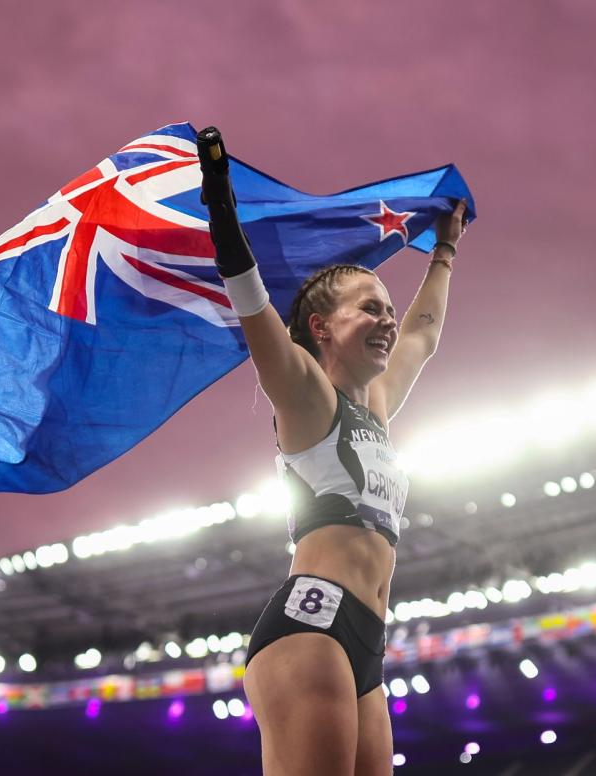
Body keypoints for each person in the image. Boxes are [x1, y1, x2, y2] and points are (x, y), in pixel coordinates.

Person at [196, 127, 468, 775]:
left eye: (388, 309)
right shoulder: (306, 398)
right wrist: (221, 209)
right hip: (312, 625)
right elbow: (255, 307)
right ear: (321, 327)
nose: (388, 320)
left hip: (367, 644)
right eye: (370, 309)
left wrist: (447, 250)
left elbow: (424, 335)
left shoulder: (374, 409)